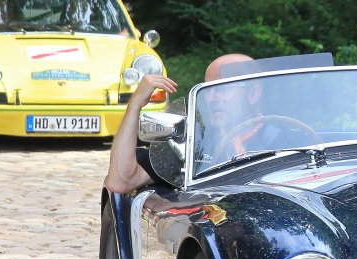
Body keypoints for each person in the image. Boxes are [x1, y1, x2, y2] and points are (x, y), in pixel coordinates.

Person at [105, 53, 254, 194]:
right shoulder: (194, 140)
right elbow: (120, 182)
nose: (212, 98)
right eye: (207, 89)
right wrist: (134, 105)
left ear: (253, 94)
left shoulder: (270, 139)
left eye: (222, 88)